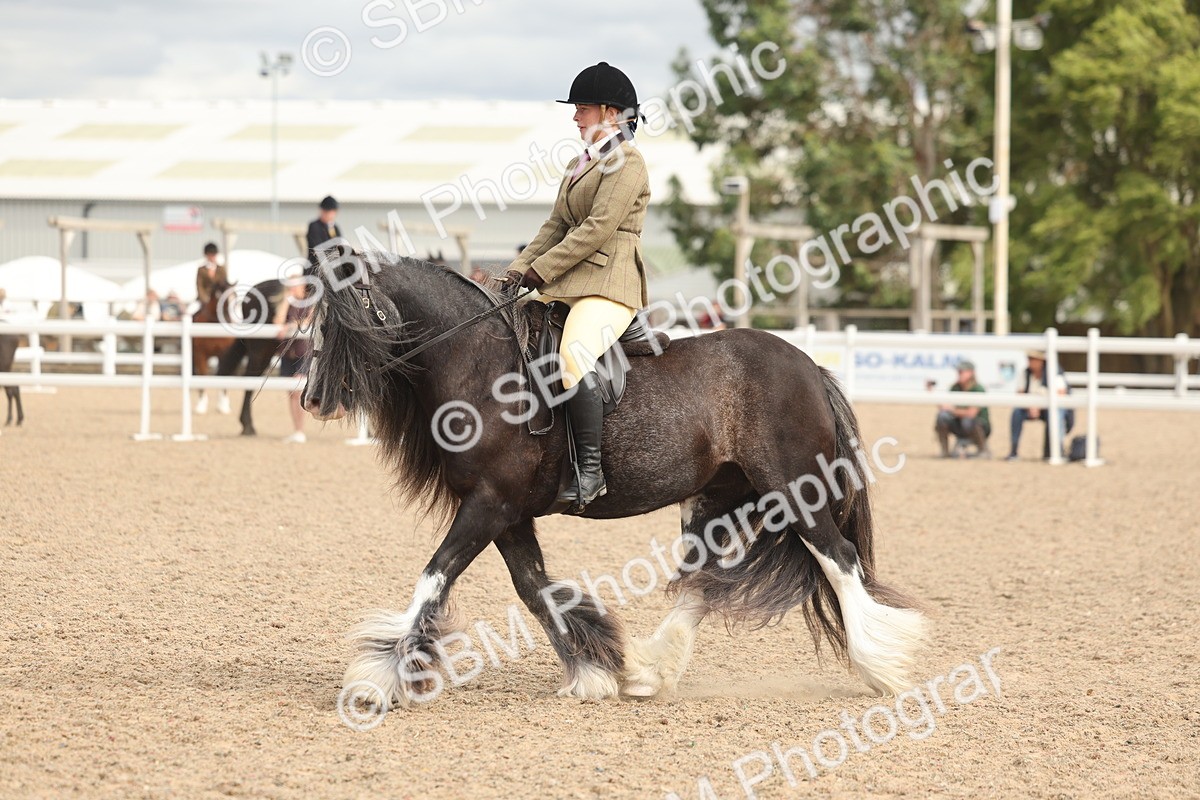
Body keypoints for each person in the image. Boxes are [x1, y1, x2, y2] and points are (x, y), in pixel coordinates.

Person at [502, 61, 649, 513]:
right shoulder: (578, 163)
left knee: (574, 355)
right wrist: (514, 272)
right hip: (572, 279)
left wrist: (540, 272)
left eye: (582, 108)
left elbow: (598, 229)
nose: (575, 116)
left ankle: (590, 472)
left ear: (610, 112)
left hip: (610, 281)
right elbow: (556, 225)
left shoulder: (629, 163)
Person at [1007, 350, 1072, 461]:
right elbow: (1020, 393)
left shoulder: (1054, 372)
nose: (1030, 362)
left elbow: (1061, 393)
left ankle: (1057, 450)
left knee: (1056, 414)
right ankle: (1014, 450)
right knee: (1017, 412)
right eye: (1029, 359)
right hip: (1030, 407)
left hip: (1049, 408)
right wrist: (1030, 406)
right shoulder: (1026, 373)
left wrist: (1040, 406)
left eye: (1033, 359)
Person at [274, 279, 313, 444]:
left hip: (304, 352)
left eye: (295, 285)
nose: (292, 288)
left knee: (297, 390)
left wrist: (289, 325)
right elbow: (277, 321)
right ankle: (297, 430)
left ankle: (300, 430)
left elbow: (307, 322)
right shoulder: (288, 303)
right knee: (291, 393)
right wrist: (285, 301)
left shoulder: (311, 303)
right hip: (288, 353)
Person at [934, 360, 991, 458]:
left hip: (978, 426)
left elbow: (971, 413)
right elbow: (947, 405)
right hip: (959, 424)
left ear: (971, 373)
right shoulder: (955, 387)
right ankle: (945, 451)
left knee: (968, 420)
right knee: (942, 416)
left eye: (962, 371)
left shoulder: (978, 389)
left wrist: (951, 409)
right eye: (959, 371)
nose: (959, 373)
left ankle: (983, 449)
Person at [307, 196, 342, 266]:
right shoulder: (314, 226)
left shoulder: (335, 227)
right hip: (316, 268)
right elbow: (318, 249)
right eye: (326, 212)